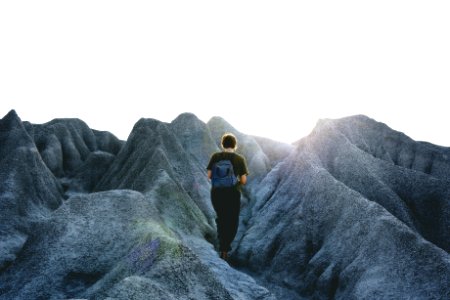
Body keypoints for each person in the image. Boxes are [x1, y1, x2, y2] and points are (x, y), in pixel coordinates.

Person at [207, 133, 249, 260]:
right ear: (235, 145)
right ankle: (225, 249)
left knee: (221, 219)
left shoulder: (215, 157)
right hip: (232, 193)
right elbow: (243, 180)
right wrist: (236, 182)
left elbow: (209, 176)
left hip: (217, 193)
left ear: (222, 144)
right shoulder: (239, 159)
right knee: (232, 221)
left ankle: (222, 247)